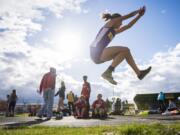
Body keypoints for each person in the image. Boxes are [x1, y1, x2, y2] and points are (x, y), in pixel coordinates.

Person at [90, 6, 151, 85]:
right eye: (120, 21)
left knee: (125, 52)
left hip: (99, 57)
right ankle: (108, 72)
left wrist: (139, 16)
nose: (121, 23)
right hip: (96, 52)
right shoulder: (109, 24)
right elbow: (128, 16)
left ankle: (139, 74)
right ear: (116, 20)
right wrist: (138, 11)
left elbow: (128, 26)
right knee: (125, 49)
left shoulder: (114, 32)